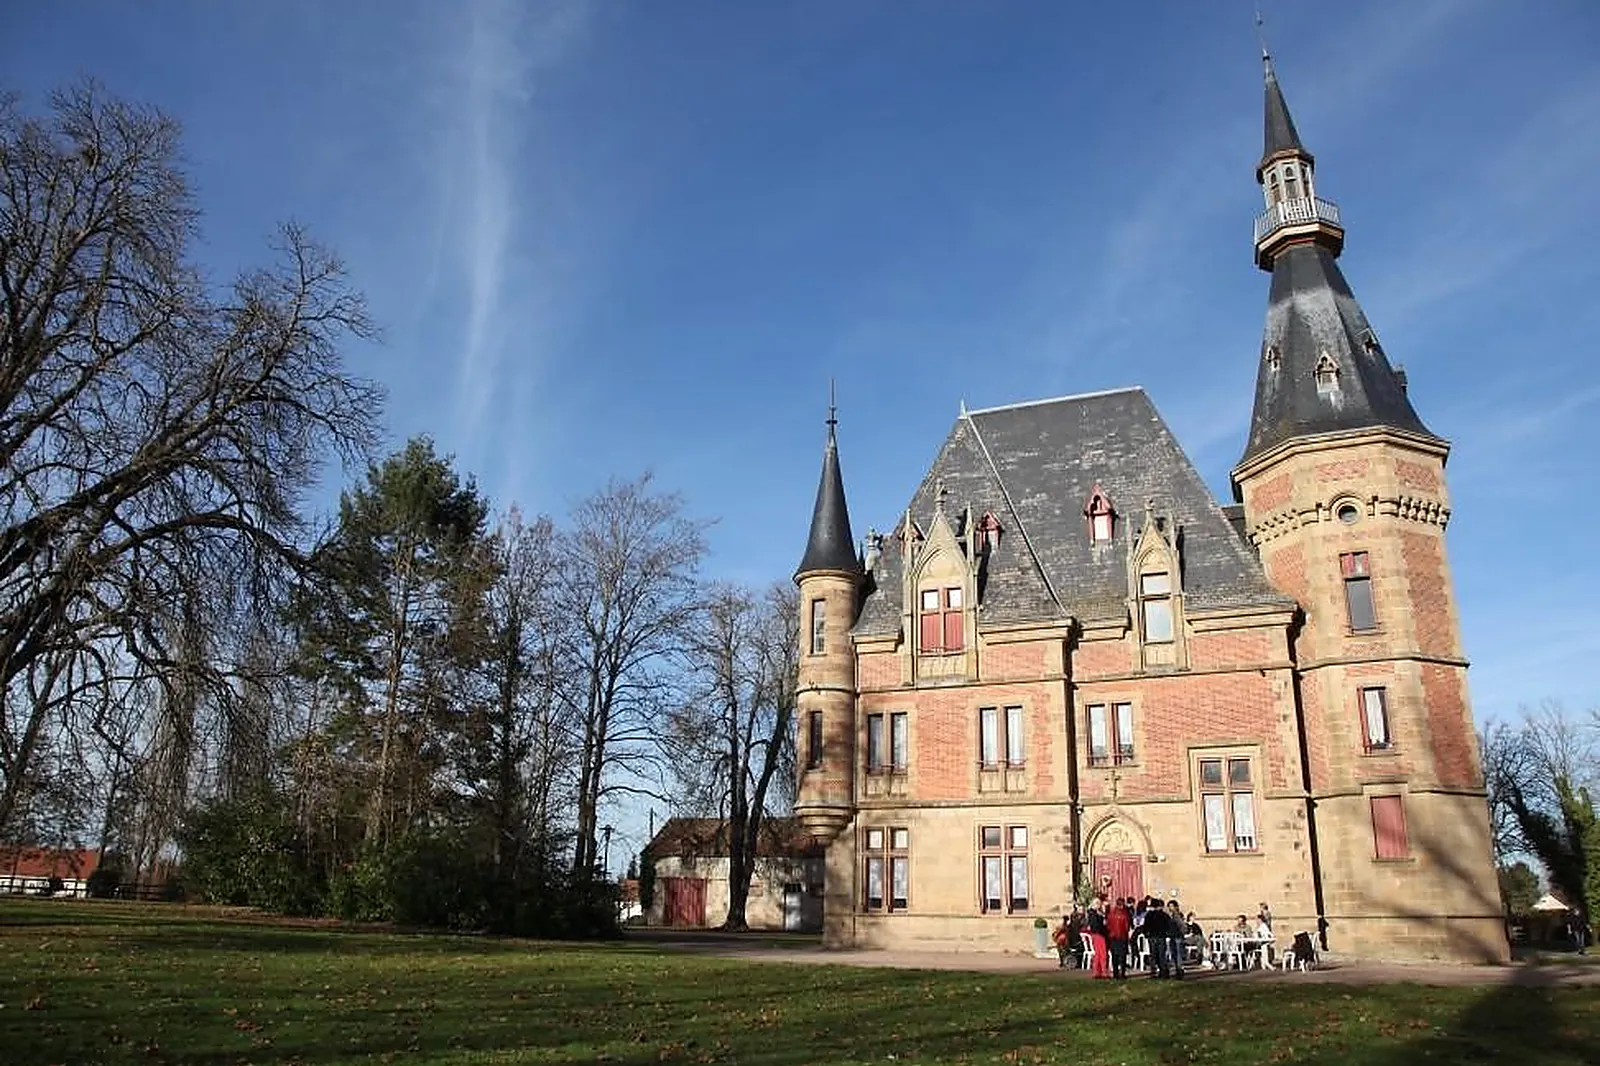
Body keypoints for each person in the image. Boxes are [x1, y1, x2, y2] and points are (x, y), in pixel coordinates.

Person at [1142, 896, 1171, 977]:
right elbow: (1168, 925)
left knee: (1153, 955)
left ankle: (1153, 972)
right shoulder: (1164, 915)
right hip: (1161, 936)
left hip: (1152, 937)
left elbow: (1145, 926)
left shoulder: (1149, 915)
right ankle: (1163, 971)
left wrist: (1146, 934)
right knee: (1162, 955)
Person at [1085, 898, 1110, 979]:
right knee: (1102, 954)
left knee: (1098, 954)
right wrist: (1104, 925)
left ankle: (1097, 972)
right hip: (1099, 935)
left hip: (1096, 935)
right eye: (1098, 904)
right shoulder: (1094, 914)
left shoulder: (1092, 913)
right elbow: (1097, 925)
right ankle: (1103, 972)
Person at [1107, 897, 1132, 979]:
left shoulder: (1111, 913)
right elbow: (1127, 926)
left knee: (1114, 956)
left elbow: (1108, 925)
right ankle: (1123, 973)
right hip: (1122, 936)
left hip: (1113, 936)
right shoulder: (1124, 914)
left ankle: (1115, 973)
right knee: (1122, 956)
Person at [1165, 899, 1187, 979]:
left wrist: (1182, 933)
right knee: (1174, 954)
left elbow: (1183, 926)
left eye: (1171, 906)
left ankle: (1179, 971)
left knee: (1178, 955)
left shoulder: (1177, 915)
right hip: (1172, 937)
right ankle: (1177, 970)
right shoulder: (1170, 915)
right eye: (1169, 906)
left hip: (1177, 937)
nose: (1170, 908)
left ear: (1175, 907)